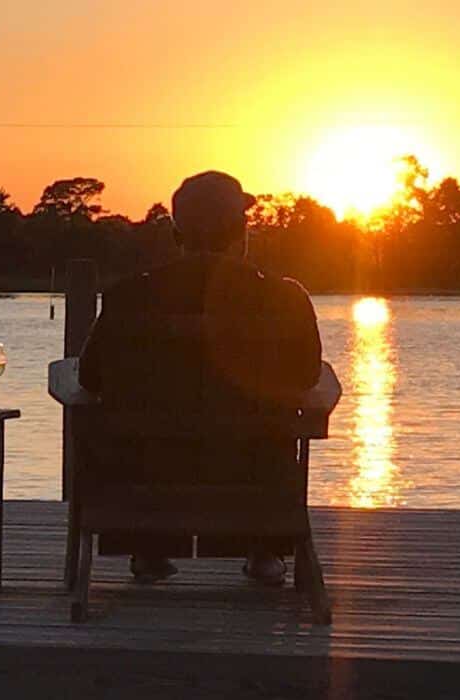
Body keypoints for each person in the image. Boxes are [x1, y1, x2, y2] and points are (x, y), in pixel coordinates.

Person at [77, 171, 341, 586]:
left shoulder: (130, 296)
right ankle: (264, 548)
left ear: (177, 234)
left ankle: (149, 546)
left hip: (146, 489)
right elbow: (308, 376)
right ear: (241, 231)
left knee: (141, 442)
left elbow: (90, 379)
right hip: (256, 485)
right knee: (265, 436)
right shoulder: (286, 299)